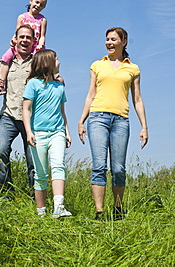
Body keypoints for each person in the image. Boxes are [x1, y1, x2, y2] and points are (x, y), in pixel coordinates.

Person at [78, 27, 148, 220]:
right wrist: (81, 120)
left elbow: (138, 99)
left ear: (123, 42)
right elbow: (90, 94)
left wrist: (144, 126)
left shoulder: (132, 68)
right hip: (97, 118)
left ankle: (117, 210)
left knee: (118, 168)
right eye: (107, 39)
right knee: (99, 165)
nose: (109, 42)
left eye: (113, 39)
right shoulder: (97, 66)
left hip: (121, 120)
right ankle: (99, 212)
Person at [22, 49, 72, 218]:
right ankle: (41, 212)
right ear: (48, 63)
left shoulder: (60, 86)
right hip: (38, 134)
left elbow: (62, 112)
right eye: (57, 59)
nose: (59, 62)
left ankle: (59, 207)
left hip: (57, 132)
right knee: (41, 174)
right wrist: (28, 132)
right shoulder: (33, 84)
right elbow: (25, 109)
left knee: (58, 166)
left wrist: (67, 132)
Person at [0, 24, 36, 196]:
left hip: (31, 118)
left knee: (33, 160)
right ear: (15, 40)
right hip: (8, 114)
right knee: (0, 152)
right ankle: (5, 192)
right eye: (21, 37)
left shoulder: (37, 62)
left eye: (28, 37)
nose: (24, 40)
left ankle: (34, 197)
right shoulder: (7, 62)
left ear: (33, 41)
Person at [0, 0, 48, 97]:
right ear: (31, 0)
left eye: (41, 5)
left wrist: (41, 44)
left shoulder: (42, 20)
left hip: (35, 46)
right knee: (5, 57)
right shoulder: (22, 17)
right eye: (36, 2)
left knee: (38, 62)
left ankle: (34, 84)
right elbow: (17, 31)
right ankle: (1, 84)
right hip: (21, 45)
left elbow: (42, 35)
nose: (38, 5)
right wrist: (13, 39)